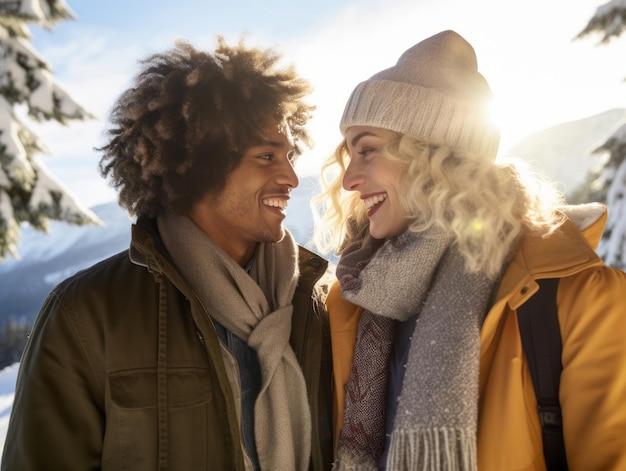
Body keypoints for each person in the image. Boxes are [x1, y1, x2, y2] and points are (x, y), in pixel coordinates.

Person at [2, 37, 333, 470]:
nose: (290, 175)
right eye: (266, 156)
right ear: (197, 166)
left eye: (289, 155)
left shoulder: (318, 301)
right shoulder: (86, 314)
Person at [313, 30, 626, 471]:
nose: (348, 181)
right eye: (349, 156)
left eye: (367, 150)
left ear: (433, 153)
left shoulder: (578, 299)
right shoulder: (356, 305)